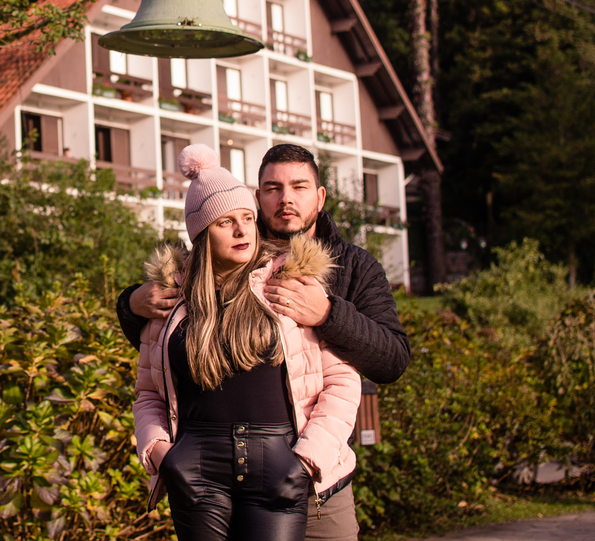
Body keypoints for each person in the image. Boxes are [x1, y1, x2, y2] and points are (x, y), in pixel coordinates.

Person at [120, 143, 411, 540]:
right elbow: (159, 370)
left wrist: (328, 314)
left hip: (315, 473)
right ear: (258, 198)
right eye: (273, 188)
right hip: (212, 480)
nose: (285, 198)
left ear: (320, 197)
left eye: (299, 186)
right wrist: (130, 303)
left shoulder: (351, 266)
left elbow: (389, 361)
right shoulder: (199, 277)